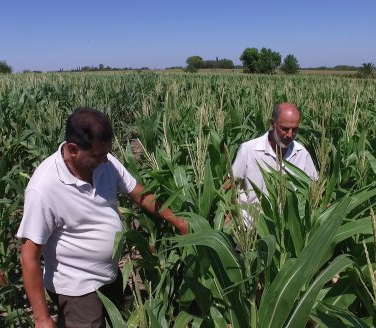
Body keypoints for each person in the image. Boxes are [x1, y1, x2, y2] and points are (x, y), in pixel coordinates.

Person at [17, 107, 189, 328]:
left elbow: (141, 195)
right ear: (72, 149)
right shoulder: (44, 188)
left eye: (107, 152)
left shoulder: (104, 162)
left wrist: (178, 221)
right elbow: (28, 256)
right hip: (77, 288)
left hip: (110, 274)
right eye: (98, 155)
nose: (106, 159)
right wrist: (42, 319)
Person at [231, 102, 318, 205]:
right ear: (273, 124)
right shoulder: (248, 150)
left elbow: (315, 189)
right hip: (252, 218)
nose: (290, 135)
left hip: (289, 220)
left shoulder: (302, 154)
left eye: (294, 129)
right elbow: (230, 184)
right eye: (285, 129)